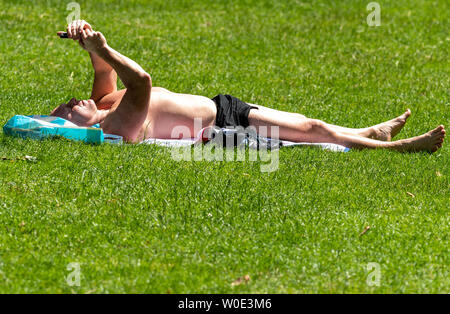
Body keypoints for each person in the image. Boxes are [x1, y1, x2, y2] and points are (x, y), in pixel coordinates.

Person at [51, 20, 445, 152]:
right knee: (313, 132)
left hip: (223, 104)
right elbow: (141, 81)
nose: (72, 100)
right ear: (80, 126)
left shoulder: (103, 102)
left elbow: (104, 71)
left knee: (309, 122)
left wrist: (89, 40)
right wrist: (106, 47)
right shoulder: (117, 124)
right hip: (225, 128)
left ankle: (367, 133)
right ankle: (397, 148)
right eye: (68, 109)